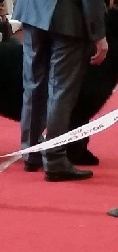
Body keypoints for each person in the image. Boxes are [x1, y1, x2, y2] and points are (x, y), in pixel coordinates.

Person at [13, 0, 108, 181]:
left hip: (32, 10)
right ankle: (55, 158)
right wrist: (98, 34)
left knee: (33, 84)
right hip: (67, 16)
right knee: (61, 90)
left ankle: (31, 151)